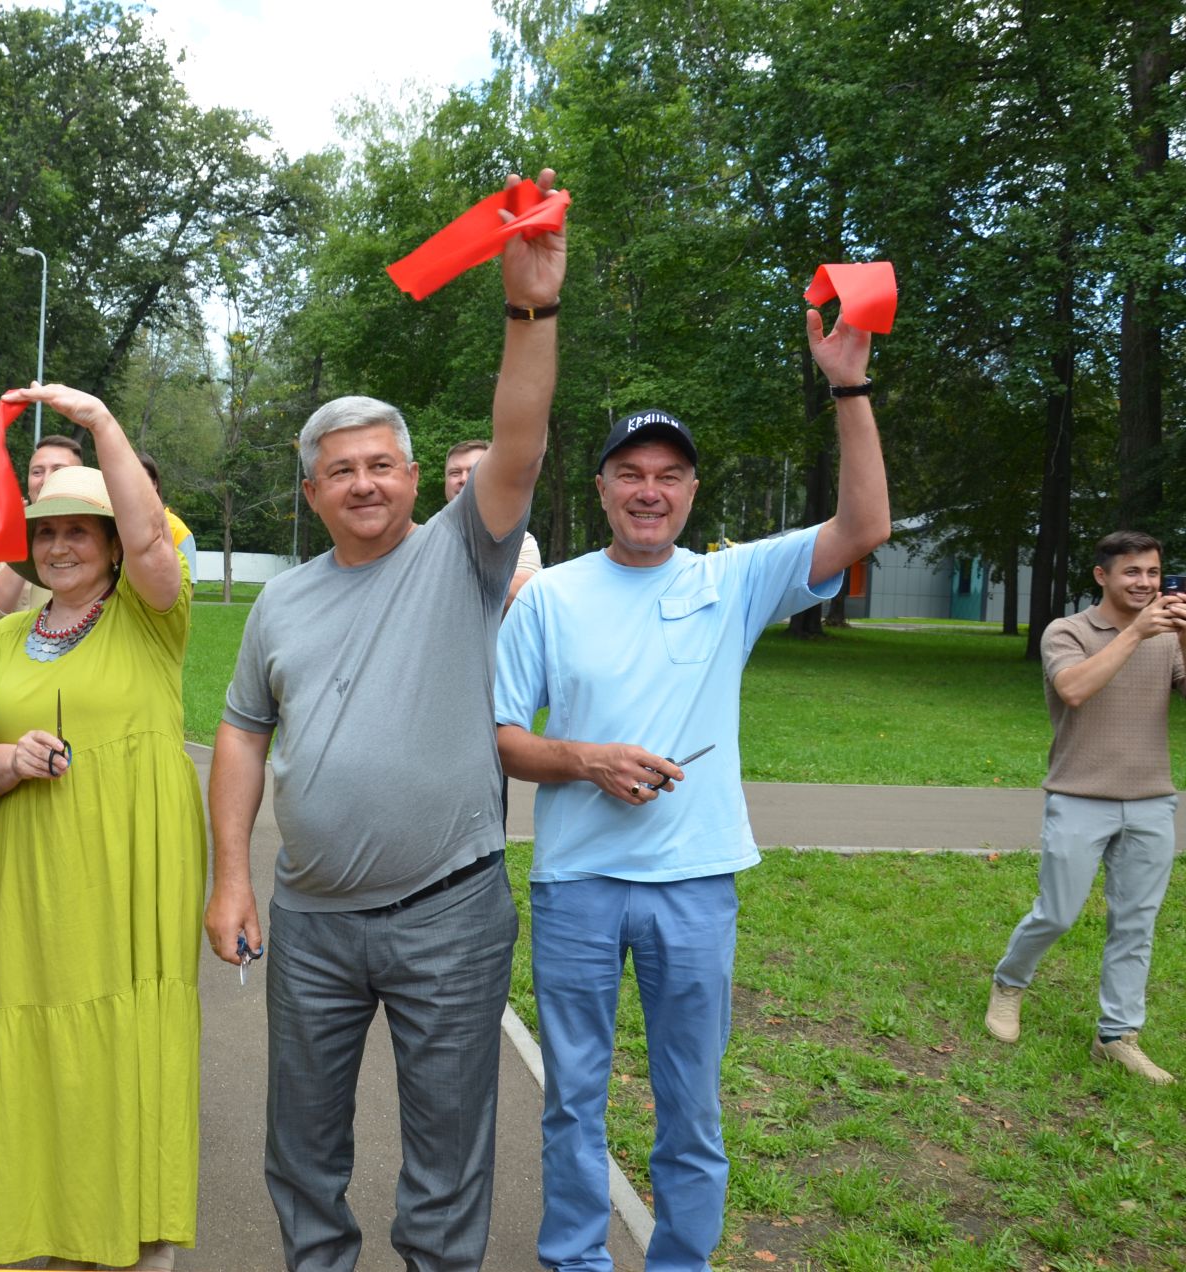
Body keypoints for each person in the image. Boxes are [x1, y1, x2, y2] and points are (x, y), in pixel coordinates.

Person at [204, 168, 564, 1272]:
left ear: (417, 478)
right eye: (338, 471)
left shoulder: (465, 550)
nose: (361, 483)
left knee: (448, 1153)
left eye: (380, 465)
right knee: (302, 1149)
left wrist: (529, 307)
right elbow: (241, 731)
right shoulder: (281, 601)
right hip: (311, 922)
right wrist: (230, 873)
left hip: (446, 914)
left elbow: (522, 434)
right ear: (310, 494)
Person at [493, 314, 889, 1269]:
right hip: (578, 885)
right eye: (631, 472)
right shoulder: (551, 596)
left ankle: (681, 1259)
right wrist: (588, 760)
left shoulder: (735, 580)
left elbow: (867, 526)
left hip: (696, 884)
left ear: (693, 492)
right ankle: (576, 1257)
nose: (649, 490)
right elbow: (501, 739)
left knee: (692, 1104)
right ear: (600, 489)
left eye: (670, 475)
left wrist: (848, 388)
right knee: (574, 1098)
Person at [0, 384, 201, 1271]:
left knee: (129, 1038)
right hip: (35, 868)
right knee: (40, 1036)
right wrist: (7, 763)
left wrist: (99, 426)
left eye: (80, 531)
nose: (61, 547)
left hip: (137, 859)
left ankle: (135, 1239)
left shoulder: (152, 616)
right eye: (47, 532)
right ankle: (56, 1230)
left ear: (108, 544)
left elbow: (151, 541)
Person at [985, 530, 1185, 1084]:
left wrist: (1182, 638)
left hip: (1151, 801)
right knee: (1058, 912)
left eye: (1153, 573)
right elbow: (1074, 689)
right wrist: (1138, 633)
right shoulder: (1067, 631)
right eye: (1132, 573)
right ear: (1102, 576)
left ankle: (1118, 1035)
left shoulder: (1169, 636)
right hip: (1079, 796)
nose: (1145, 583)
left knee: (1136, 923)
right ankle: (1009, 983)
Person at [0, 432, 83, 632]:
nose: (46, 479)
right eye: (37, 472)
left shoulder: (105, 533)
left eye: (59, 470)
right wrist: (22, 537)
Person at [444, 439, 541, 610]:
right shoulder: (425, 538)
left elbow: (519, 597)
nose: (463, 479)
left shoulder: (521, 542)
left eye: (473, 471)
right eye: (454, 473)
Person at [138, 453, 199, 580]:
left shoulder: (178, 531)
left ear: (154, 484)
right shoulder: (117, 526)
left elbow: (188, 589)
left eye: (141, 479)